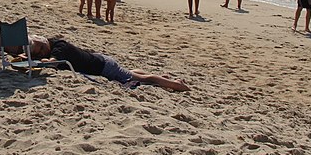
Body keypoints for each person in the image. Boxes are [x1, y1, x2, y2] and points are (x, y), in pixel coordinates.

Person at [29, 37, 190, 92]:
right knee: (131, 73)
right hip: (102, 61)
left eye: (42, 48)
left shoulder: (58, 48)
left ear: (45, 41)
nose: (43, 51)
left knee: (146, 79)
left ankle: (177, 84)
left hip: (104, 67)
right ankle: (165, 78)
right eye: (39, 51)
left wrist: (42, 59)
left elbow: (52, 62)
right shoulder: (54, 43)